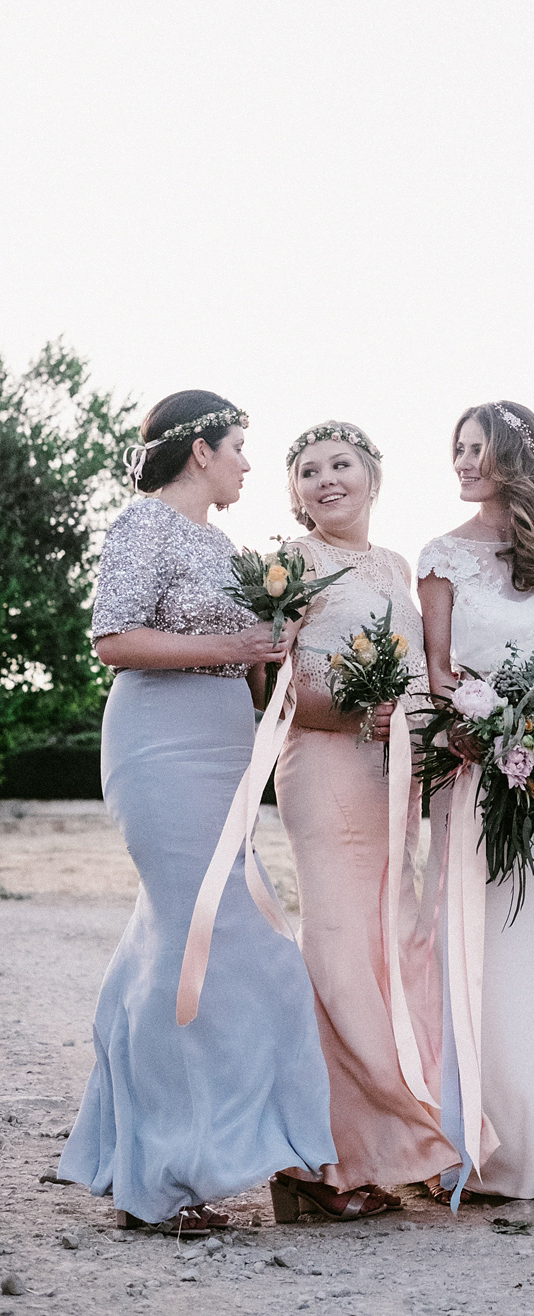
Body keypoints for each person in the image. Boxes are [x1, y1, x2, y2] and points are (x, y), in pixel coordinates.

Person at [58, 391, 336, 1233]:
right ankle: (164, 1177)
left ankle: (147, 1156)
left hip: (224, 747)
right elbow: (114, 639)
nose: (251, 463)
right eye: (242, 447)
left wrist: (270, 650)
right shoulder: (144, 526)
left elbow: (247, 666)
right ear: (201, 451)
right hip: (159, 743)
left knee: (177, 945)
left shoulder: (222, 544)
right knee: (205, 944)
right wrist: (237, 646)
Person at [417, 401, 534, 1207]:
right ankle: (479, 1144)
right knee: (476, 941)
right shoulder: (438, 557)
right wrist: (478, 728)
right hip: (473, 758)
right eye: (457, 448)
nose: (462, 463)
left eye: (478, 451)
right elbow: (434, 672)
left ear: (517, 460)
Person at [272, 421, 458, 1221]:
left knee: (395, 940)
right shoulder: (291, 563)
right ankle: (319, 1161)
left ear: (373, 477)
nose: (325, 481)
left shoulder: (395, 566)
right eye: (308, 471)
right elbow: (275, 684)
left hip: (394, 776)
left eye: (340, 465)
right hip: (322, 768)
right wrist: (357, 708)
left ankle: (388, 1150)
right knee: (341, 945)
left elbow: (418, 673)